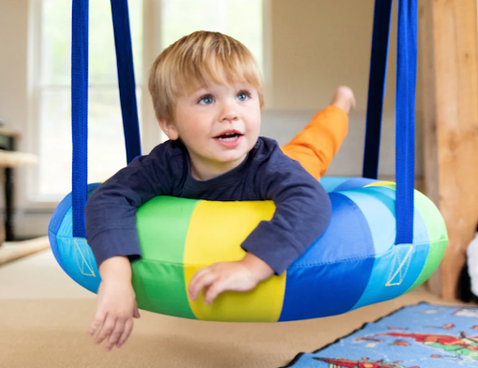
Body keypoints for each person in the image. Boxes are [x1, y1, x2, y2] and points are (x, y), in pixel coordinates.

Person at [85, 31, 356, 352]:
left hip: (290, 166)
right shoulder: (165, 163)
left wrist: (252, 267)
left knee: (315, 145)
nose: (230, 112)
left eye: (243, 96)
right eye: (207, 99)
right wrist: (116, 278)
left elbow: (311, 203)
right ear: (169, 124)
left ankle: (340, 105)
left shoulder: (270, 165)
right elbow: (108, 198)